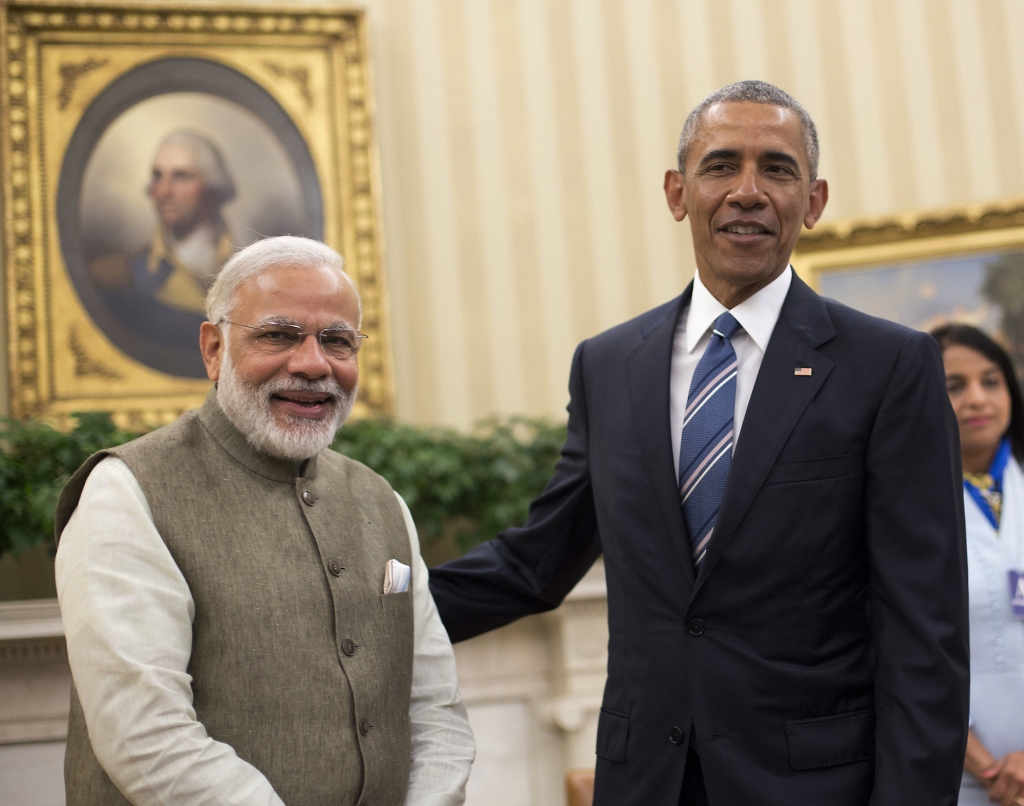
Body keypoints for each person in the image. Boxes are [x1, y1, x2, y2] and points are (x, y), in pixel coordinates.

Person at [429, 80, 969, 805]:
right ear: (677, 192)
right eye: (721, 165)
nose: (747, 190)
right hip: (647, 778)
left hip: (817, 786)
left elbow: (923, 627)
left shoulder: (889, 366)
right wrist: (369, 610)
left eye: (777, 168)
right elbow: (537, 561)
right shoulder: (609, 364)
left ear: (814, 201)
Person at [55, 236, 474, 805]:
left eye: (337, 341)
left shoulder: (382, 501)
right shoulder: (126, 493)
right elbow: (144, 734)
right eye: (277, 335)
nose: (312, 363)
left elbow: (436, 712)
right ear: (213, 349)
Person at [933, 324, 1024, 806]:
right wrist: (990, 768)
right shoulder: (903, 505)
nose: (977, 399)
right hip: (959, 775)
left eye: (991, 381)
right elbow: (897, 651)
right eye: (954, 386)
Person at [90, 130, 236, 358]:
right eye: (158, 176)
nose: (164, 190)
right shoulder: (122, 276)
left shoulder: (248, 267)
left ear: (212, 188)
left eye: (181, 176)